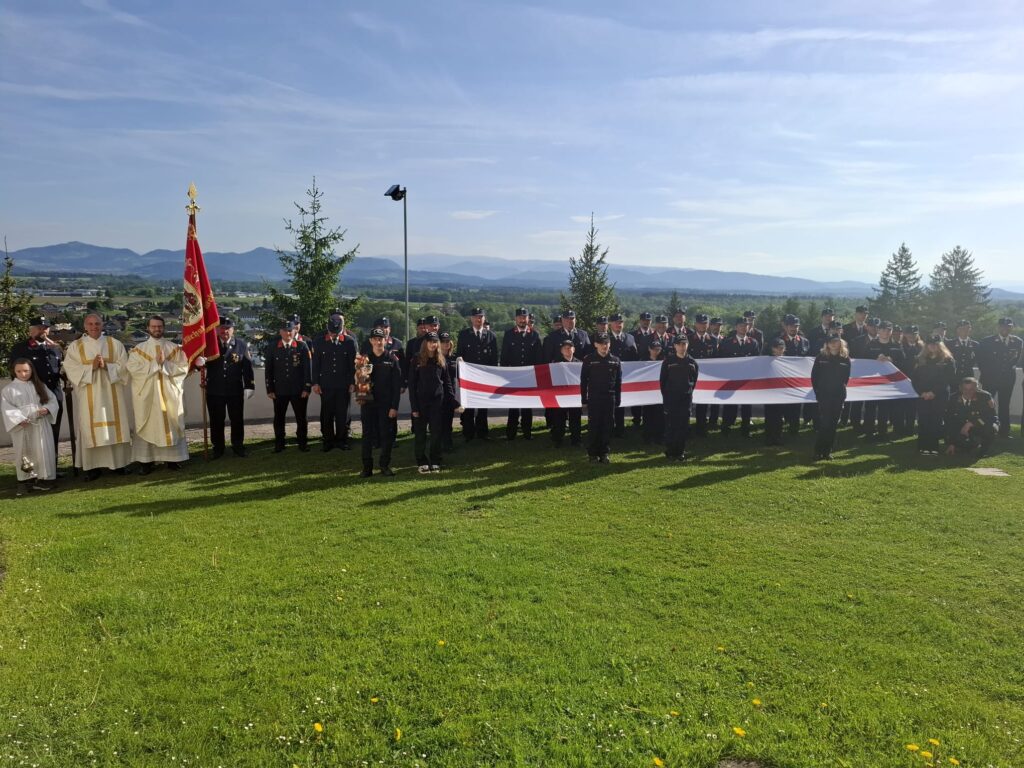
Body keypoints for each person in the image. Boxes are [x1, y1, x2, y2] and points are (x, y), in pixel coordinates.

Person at [61, 313, 132, 480]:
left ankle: (118, 464)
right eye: (90, 324)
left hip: (112, 393)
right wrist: (91, 367)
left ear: (103, 324)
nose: (94, 327)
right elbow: (71, 369)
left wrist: (107, 366)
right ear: (85, 326)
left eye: (97, 323)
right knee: (89, 428)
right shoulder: (76, 347)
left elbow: (125, 368)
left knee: (114, 427)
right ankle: (92, 467)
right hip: (88, 395)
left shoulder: (115, 344)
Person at [126, 315, 189, 474]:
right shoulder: (138, 350)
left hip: (169, 395)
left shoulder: (174, 348)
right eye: (153, 326)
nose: (157, 329)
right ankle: (146, 462)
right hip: (148, 396)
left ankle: (172, 460)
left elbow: (183, 368)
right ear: (148, 328)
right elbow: (133, 369)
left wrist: (165, 364)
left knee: (171, 423)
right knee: (147, 424)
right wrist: (155, 364)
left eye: (159, 326)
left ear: (164, 328)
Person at [200, 318, 254, 458]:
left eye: (228, 328)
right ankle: (218, 448)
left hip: (234, 390)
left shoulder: (241, 345)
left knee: (237, 419)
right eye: (222, 328)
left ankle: (238, 445)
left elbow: (247, 367)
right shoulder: (210, 345)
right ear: (217, 330)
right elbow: (200, 364)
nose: (225, 331)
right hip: (214, 390)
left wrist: (249, 385)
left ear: (233, 330)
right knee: (216, 420)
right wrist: (198, 363)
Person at [9, 315, 65, 453]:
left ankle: (53, 466)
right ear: (30, 331)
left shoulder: (55, 348)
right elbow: (14, 372)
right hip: (34, 396)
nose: (42, 331)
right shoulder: (21, 348)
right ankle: (35, 467)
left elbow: (60, 369)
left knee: (54, 430)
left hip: (55, 395)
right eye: (39, 328)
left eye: (45, 328)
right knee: (35, 434)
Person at [3, 359, 58, 496]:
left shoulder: (39, 386)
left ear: (31, 370)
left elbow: (52, 400)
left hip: (40, 424)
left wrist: (46, 409)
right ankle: (25, 481)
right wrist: (19, 419)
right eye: (19, 371)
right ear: (13, 372)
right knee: (24, 452)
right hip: (23, 426)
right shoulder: (9, 390)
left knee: (42, 450)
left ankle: (43, 479)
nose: (23, 374)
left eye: (26, 370)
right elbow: (6, 408)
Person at [409, 331, 457, 473]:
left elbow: (447, 383)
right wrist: (414, 407)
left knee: (436, 433)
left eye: (435, 342)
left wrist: (454, 402)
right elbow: (412, 385)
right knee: (421, 434)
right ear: (425, 343)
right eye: (430, 341)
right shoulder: (416, 359)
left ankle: (435, 460)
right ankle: (421, 461)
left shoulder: (441, 360)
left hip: (437, 402)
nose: (433, 344)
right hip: (420, 402)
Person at [312, 310, 358, 452]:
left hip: (343, 385)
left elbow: (353, 365)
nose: (333, 335)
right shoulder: (319, 341)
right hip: (325, 384)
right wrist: (315, 383)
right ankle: (328, 440)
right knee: (326, 414)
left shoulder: (350, 342)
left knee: (342, 414)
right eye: (331, 332)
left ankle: (342, 440)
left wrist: (352, 382)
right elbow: (315, 364)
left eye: (336, 333)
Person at [360, 328, 403, 477]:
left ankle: (384, 466)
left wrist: (394, 406)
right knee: (367, 435)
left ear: (385, 340)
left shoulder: (392, 359)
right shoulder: (364, 360)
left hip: (386, 404)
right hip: (368, 403)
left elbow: (397, 386)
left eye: (381, 339)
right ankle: (367, 468)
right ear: (371, 341)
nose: (378, 341)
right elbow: (358, 381)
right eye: (375, 339)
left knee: (386, 436)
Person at [266, 319, 312, 453]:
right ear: (280, 332)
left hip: (298, 391)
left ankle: (302, 443)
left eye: (290, 330)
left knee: (301, 418)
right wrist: (270, 389)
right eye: (285, 330)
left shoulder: (302, 346)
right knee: (279, 418)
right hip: (279, 390)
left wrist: (306, 388)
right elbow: (268, 370)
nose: (288, 333)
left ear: (294, 331)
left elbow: (307, 370)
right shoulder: (273, 346)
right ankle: (279, 443)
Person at [500, 307, 543, 440]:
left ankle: (527, 432)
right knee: (513, 406)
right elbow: (504, 356)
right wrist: (505, 374)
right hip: (513, 376)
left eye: (524, 317)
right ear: (516, 319)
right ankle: (511, 433)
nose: (522, 320)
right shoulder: (509, 334)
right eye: (520, 317)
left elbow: (538, 358)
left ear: (528, 319)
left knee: (527, 407)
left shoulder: (534, 335)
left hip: (529, 376)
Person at [457, 307, 499, 440]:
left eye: (481, 317)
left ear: (484, 319)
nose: (478, 319)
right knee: (468, 406)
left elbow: (494, 358)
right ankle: (468, 433)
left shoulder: (491, 336)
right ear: (471, 319)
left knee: (482, 407)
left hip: (484, 378)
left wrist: (492, 377)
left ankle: (482, 433)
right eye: (475, 317)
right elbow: (460, 355)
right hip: (468, 378)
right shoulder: (464, 335)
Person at [912, 336, 958, 456]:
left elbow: (948, 379)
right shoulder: (920, 359)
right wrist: (921, 392)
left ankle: (933, 447)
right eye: (930, 343)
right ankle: (922, 446)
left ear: (940, 345)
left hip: (940, 395)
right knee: (923, 420)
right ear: (926, 345)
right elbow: (915, 379)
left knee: (935, 420)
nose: (932, 346)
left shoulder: (948, 360)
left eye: (935, 344)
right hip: (922, 395)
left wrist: (934, 392)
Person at [580, 332, 622, 463]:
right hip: (594, 398)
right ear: (596, 344)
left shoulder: (615, 360)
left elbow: (618, 381)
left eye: (607, 343)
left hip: (610, 398)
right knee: (594, 426)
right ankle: (593, 453)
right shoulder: (589, 359)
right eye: (602, 343)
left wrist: (618, 399)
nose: (604, 346)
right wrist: (584, 399)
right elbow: (583, 381)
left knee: (607, 426)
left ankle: (604, 452)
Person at [977, 318, 1022, 439]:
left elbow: (1015, 360)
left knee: (1004, 405)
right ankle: (985, 429)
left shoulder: (1017, 341)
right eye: (1003, 326)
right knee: (986, 404)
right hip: (990, 378)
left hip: (1007, 379)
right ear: (998, 327)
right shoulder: (987, 341)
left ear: (1012, 327)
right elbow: (981, 361)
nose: (1005, 328)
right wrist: (988, 374)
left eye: (1008, 326)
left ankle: (1004, 432)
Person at [716, 316, 761, 436]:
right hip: (730, 379)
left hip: (746, 380)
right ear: (736, 327)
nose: (743, 327)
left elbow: (756, 361)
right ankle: (726, 427)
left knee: (746, 405)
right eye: (741, 325)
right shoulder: (727, 343)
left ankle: (746, 428)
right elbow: (721, 361)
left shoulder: (753, 343)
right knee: (730, 405)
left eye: (746, 325)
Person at [810, 334, 851, 460]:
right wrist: (819, 392)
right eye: (831, 342)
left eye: (836, 341)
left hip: (838, 395)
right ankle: (818, 451)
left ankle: (827, 452)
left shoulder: (845, 359)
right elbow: (814, 377)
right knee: (825, 423)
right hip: (824, 395)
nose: (833, 344)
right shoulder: (821, 357)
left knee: (833, 424)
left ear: (840, 343)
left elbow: (846, 378)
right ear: (827, 344)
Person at [862, 321, 905, 439]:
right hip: (872, 382)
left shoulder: (897, 346)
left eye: (888, 330)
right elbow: (863, 361)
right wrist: (875, 359)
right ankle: (869, 432)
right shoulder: (871, 345)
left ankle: (882, 432)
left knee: (884, 408)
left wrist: (892, 361)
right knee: (870, 407)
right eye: (883, 329)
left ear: (891, 332)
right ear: (879, 330)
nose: (885, 332)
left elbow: (904, 363)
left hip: (888, 383)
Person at [660, 335, 699, 461]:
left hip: (685, 399)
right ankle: (671, 451)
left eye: (684, 344)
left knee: (683, 426)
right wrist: (667, 397)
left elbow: (694, 381)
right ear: (675, 346)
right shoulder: (668, 361)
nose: (682, 347)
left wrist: (687, 392)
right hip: (671, 398)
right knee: (671, 426)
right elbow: (662, 381)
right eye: (679, 344)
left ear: (687, 345)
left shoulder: (692, 363)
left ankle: (680, 451)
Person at [945, 377, 998, 457]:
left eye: (971, 389)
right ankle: (967, 444)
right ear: (960, 388)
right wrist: (952, 443)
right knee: (963, 447)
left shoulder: (985, 397)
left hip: (981, 425)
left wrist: (971, 423)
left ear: (977, 388)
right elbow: (950, 420)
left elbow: (990, 417)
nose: (968, 392)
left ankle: (983, 450)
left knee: (991, 428)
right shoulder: (953, 398)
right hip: (961, 427)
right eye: (965, 389)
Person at [608, 312, 637, 436]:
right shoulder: (605, 338)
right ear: (610, 324)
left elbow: (635, 357)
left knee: (621, 402)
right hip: (609, 377)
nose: (618, 324)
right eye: (615, 322)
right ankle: (609, 428)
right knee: (610, 404)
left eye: (620, 322)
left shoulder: (630, 338)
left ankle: (620, 429)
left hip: (626, 377)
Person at [548, 339, 581, 447]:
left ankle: (576, 440)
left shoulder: (579, 363)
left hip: (574, 396)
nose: (567, 350)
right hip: (560, 395)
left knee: (575, 418)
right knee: (559, 419)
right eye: (565, 348)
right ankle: (558, 439)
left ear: (574, 349)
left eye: (570, 347)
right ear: (561, 350)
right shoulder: (555, 363)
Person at [895, 325, 924, 436]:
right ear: (905, 335)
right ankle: (898, 429)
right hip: (901, 380)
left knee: (912, 407)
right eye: (909, 334)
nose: (912, 336)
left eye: (914, 333)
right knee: (899, 406)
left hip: (916, 380)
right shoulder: (899, 346)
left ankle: (909, 429)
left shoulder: (922, 348)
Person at [763, 338, 787, 446]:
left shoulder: (788, 361)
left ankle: (778, 436)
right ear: (773, 348)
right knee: (769, 415)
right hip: (769, 391)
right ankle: (769, 436)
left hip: (781, 392)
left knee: (779, 416)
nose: (780, 350)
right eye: (778, 347)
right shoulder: (766, 360)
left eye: (782, 348)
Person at [641, 338, 665, 444]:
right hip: (647, 393)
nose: (656, 351)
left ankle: (659, 437)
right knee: (648, 415)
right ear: (649, 349)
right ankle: (648, 437)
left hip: (659, 393)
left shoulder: (664, 361)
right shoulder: (642, 361)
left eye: (658, 349)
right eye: (654, 349)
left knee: (660, 416)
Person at [438, 332, 458, 451]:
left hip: (451, 392)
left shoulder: (454, 357)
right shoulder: (435, 357)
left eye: (447, 342)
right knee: (439, 420)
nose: (446, 344)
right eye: (443, 342)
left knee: (449, 419)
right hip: (439, 392)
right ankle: (439, 443)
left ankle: (448, 443)